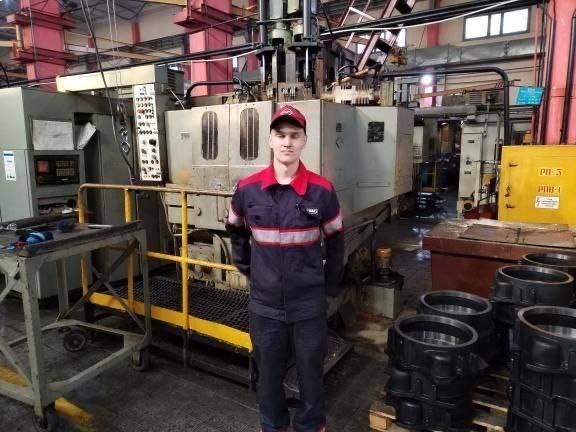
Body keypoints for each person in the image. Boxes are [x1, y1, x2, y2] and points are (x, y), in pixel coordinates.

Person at [226, 105, 345, 432]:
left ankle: (310, 426)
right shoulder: (248, 189)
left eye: (294, 135)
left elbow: (336, 242)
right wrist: (248, 268)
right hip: (265, 306)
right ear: (270, 139)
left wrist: (328, 289)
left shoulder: (322, 191)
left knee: (311, 373)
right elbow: (235, 229)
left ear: (305, 140)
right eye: (281, 135)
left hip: (308, 304)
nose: (287, 142)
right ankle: (273, 425)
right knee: (268, 375)